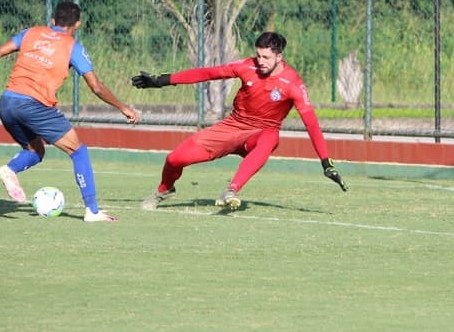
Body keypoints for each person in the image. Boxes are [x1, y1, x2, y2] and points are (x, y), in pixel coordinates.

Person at [0, 1, 140, 222]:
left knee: (35, 151)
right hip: (34, 105)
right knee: (78, 151)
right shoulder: (73, 46)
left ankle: (10, 169)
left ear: (53, 21)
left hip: (7, 102)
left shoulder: (31, 33)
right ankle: (92, 211)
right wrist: (123, 107)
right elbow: (96, 87)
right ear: (77, 24)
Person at [132, 31, 347, 211]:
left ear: (279, 57)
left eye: (266, 58)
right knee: (174, 159)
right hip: (231, 126)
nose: (260, 62)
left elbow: (311, 124)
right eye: (258, 56)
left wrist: (325, 162)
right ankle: (164, 189)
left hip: (260, 133)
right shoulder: (247, 66)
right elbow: (209, 73)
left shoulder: (293, 83)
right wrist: (163, 80)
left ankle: (231, 189)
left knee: (270, 138)